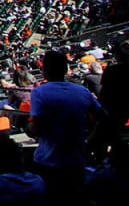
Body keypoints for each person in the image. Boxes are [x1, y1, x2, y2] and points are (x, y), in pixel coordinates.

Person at [28, 50, 101, 198]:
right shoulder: (82, 91)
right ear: (66, 69)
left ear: (44, 71)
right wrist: (90, 141)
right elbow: (104, 118)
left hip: (48, 161)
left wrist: (28, 127)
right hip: (77, 160)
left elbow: (37, 129)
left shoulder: (39, 92)